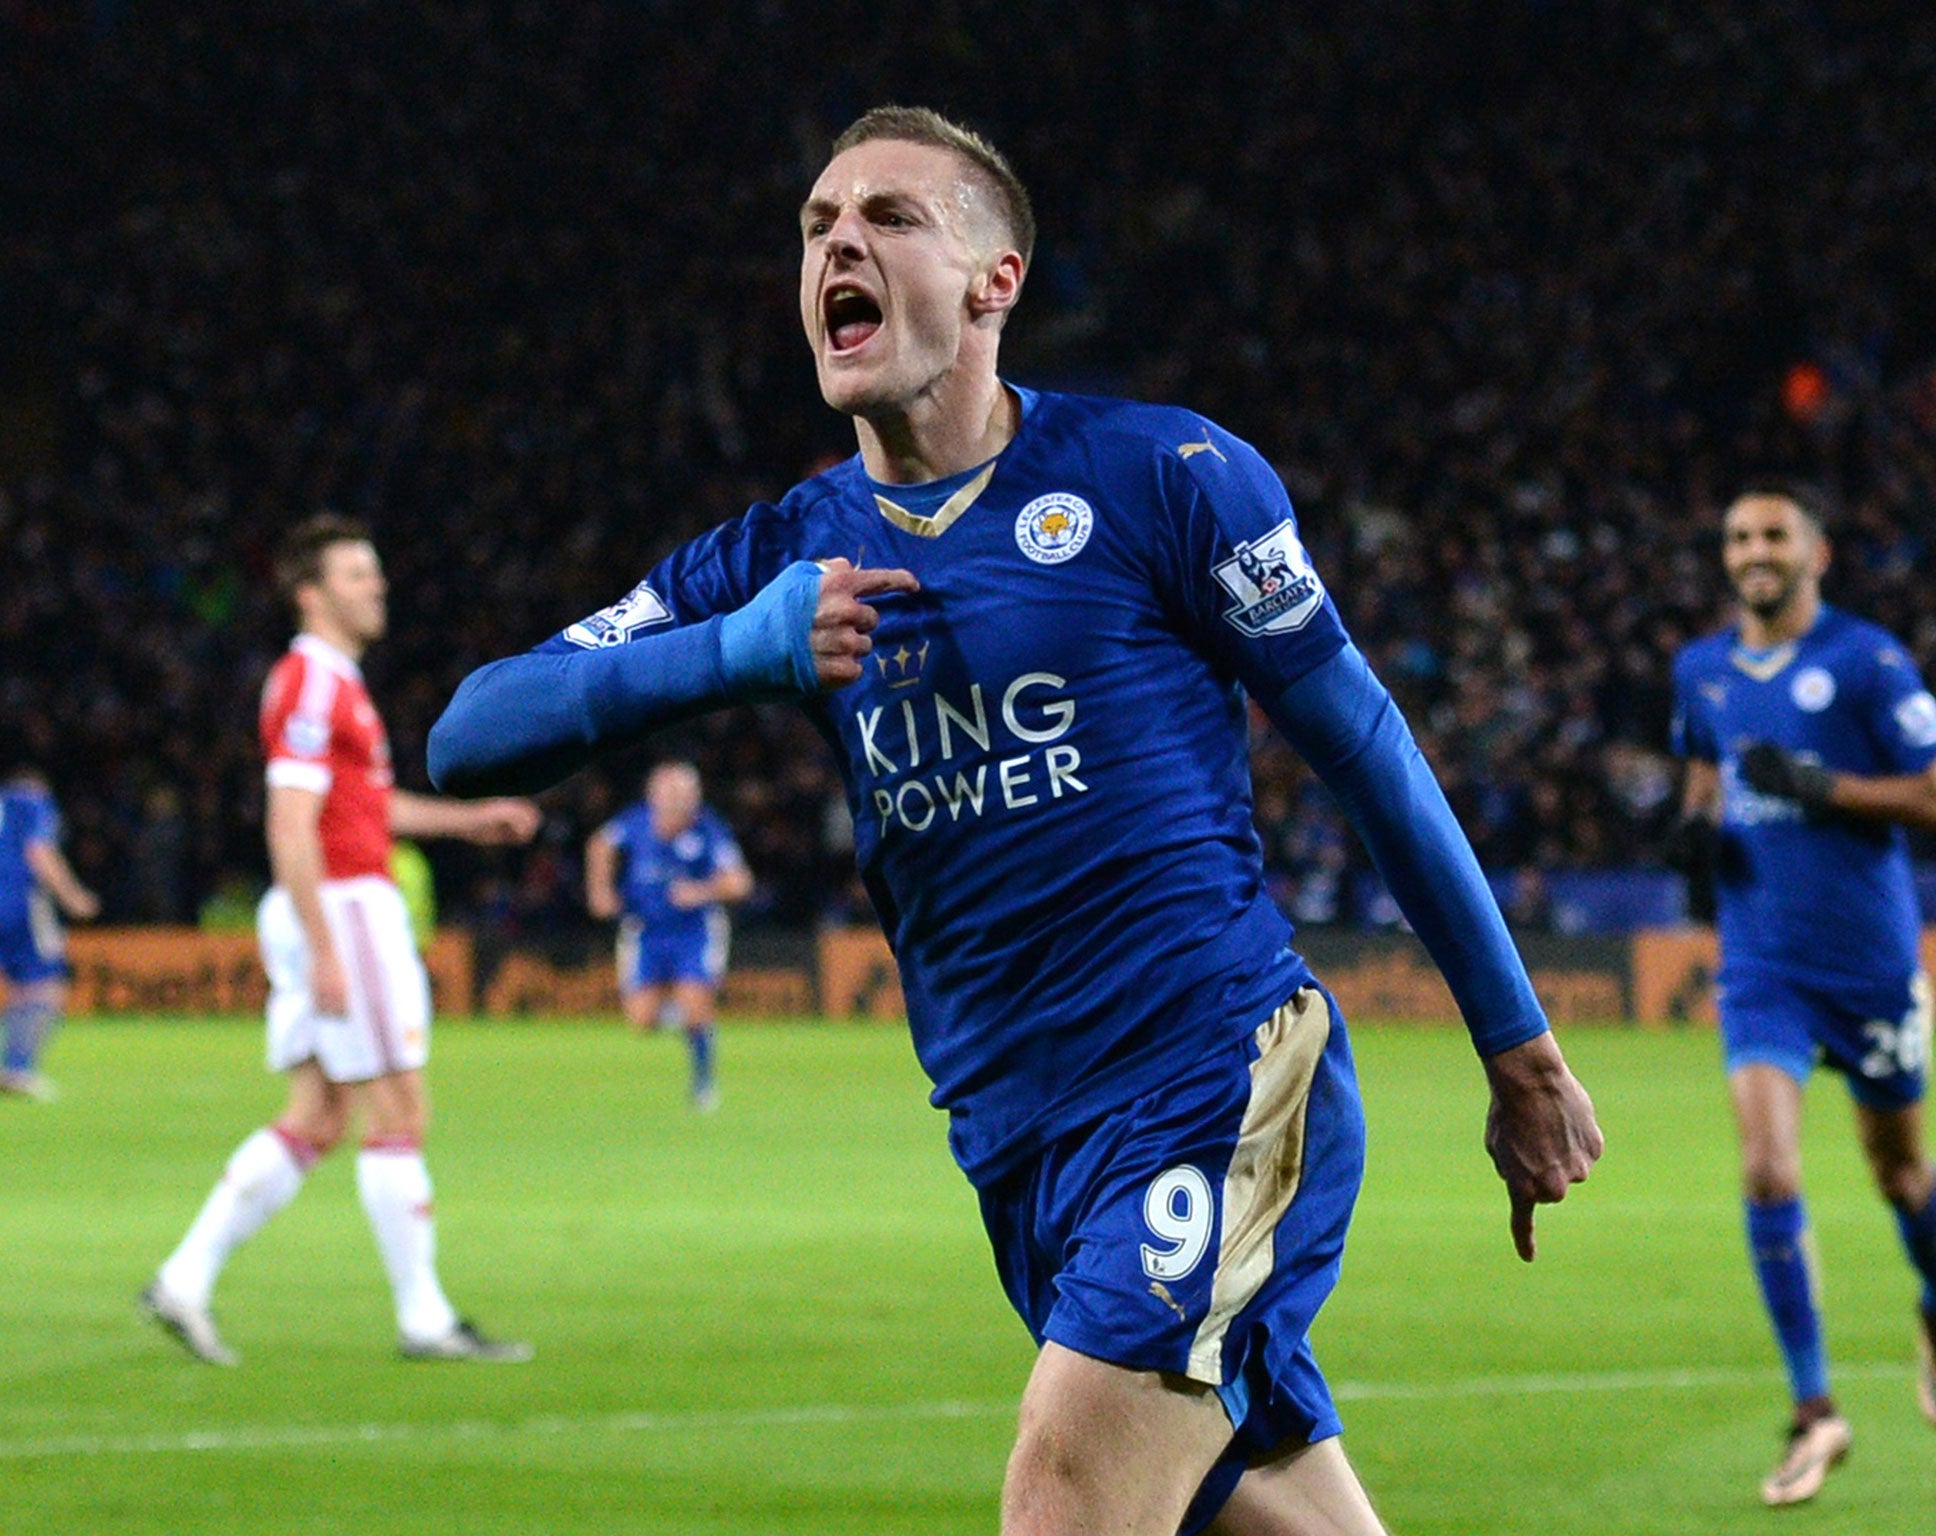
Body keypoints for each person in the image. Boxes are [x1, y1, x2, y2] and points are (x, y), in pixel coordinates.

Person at [429, 106, 1602, 1535]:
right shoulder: (781, 559)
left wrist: (1517, 1046)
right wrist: (735, 650)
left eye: (890, 217)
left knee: (1063, 1491)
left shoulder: (1162, 480)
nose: (837, 241)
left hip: (1208, 1080)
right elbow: (471, 730)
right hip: (1019, 1148)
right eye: (815, 226)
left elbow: (1364, 747)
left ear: (996, 283)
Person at [141, 514, 543, 1366]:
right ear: (311, 594)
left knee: (319, 1115)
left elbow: (360, 811)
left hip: (337, 901)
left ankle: (183, 1280)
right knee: (399, 1105)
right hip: (344, 910)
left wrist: (471, 821)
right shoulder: (312, 685)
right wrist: (325, 946)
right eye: (358, 575)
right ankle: (425, 1320)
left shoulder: (332, 685)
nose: (377, 587)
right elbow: (290, 824)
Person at [1670, 489, 1936, 1507]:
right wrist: (1691, 842)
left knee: (1897, 1173)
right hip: (1762, 966)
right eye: (1738, 538)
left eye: (1771, 537)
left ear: (1815, 553)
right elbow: (1703, 786)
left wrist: (1822, 789)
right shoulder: (1697, 670)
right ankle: (1814, 1411)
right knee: (1764, 1167)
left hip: (1868, 966)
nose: (1753, 553)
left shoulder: (1865, 661)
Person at [585, 759, 754, 1109]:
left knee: (694, 1004)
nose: (678, 801)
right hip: (644, 931)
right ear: (654, 795)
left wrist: (702, 891)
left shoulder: (709, 829)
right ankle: (697, 1022)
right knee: (641, 1021)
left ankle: (703, 1081)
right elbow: (599, 845)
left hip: (695, 931)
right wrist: (600, 891)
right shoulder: (635, 823)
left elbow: (740, 882)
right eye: (670, 793)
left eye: (684, 793)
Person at [0, 766, 101, 1100]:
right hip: (18, 903)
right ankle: (18, 1068)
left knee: (20, 989)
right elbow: (39, 852)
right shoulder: (30, 802)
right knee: (45, 986)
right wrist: (72, 897)